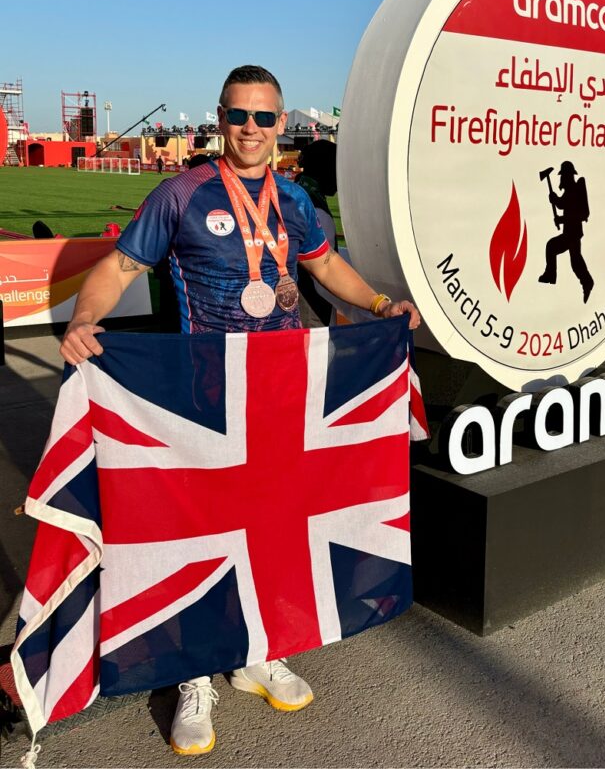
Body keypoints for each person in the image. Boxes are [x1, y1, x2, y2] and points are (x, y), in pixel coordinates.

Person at [60, 64, 420, 757]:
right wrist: (84, 320)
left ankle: (261, 648)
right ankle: (195, 673)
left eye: (263, 118)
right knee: (204, 530)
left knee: (276, 523)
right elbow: (119, 269)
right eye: (238, 116)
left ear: (281, 123)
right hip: (206, 401)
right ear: (219, 119)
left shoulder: (292, 197)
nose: (250, 130)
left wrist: (377, 305)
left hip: (282, 399)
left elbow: (323, 268)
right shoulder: (182, 193)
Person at [295, 140, 337, 327]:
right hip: (311, 310)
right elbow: (325, 272)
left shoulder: (296, 193)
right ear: (325, 169)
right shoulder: (316, 209)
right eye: (335, 169)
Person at [538, 160, 594, 303]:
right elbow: (563, 204)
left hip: (572, 233)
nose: (561, 179)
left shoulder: (574, 189)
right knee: (574, 259)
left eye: (563, 175)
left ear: (568, 176)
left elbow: (569, 209)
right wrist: (555, 200)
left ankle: (584, 281)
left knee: (555, 249)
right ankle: (585, 281)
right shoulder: (570, 190)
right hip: (570, 233)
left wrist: (556, 202)